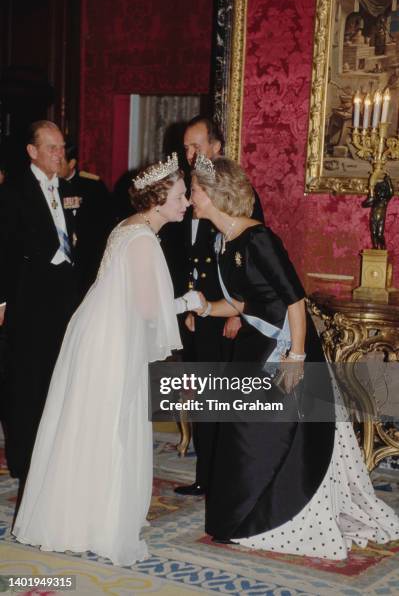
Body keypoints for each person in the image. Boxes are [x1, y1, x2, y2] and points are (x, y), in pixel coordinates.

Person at [190, 154, 399, 559]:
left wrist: (297, 355)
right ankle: (237, 519)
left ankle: (276, 519)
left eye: (195, 191)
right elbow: (242, 303)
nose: (191, 198)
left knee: (268, 437)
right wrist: (205, 307)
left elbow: (294, 300)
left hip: (285, 349)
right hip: (254, 347)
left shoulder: (259, 239)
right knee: (240, 434)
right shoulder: (223, 240)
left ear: (215, 194)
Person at [12, 153, 202, 566]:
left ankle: (81, 510)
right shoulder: (142, 239)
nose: (186, 202)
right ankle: (94, 519)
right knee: (109, 422)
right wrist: (192, 301)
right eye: (181, 194)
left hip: (102, 333)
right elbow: (150, 308)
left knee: (88, 419)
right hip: (111, 341)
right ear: (158, 199)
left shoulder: (130, 228)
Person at [175, 116, 265, 496]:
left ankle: (225, 475)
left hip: (227, 314)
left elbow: (251, 267)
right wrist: (190, 307)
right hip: (199, 314)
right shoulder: (187, 194)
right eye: (186, 148)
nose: (189, 154)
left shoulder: (240, 197)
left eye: (196, 146)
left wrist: (241, 316)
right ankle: (205, 474)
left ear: (216, 148)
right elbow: (184, 257)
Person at [0, 121, 78, 511]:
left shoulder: (72, 188)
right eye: (51, 148)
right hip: (27, 299)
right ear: (32, 151)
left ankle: (51, 454)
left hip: (63, 297)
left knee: (56, 377)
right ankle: (23, 461)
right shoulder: (12, 191)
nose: (59, 155)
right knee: (27, 383)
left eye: (62, 147)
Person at [59, 143, 115, 301]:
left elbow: (105, 224)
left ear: (72, 163)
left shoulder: (92, 186)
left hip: (87, 258)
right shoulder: (51, 187)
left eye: (61, 162)